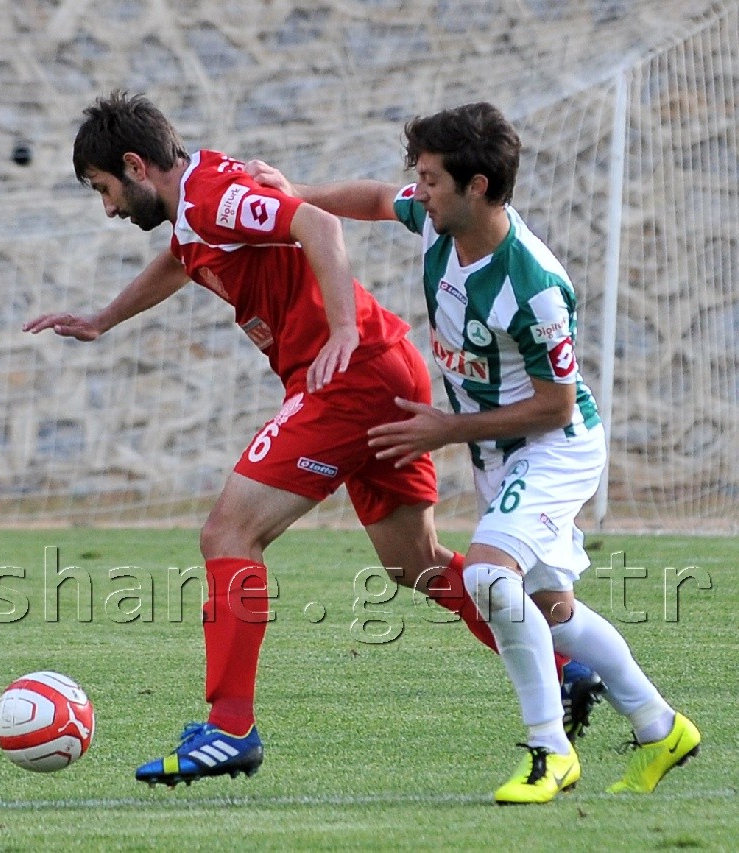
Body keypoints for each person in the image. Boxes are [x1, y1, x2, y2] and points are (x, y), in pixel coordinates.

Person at [23, 92, 594, 789]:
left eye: (105, 190)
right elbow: (182, 258)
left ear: (136, 166)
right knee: (413, 564)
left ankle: (229, 728)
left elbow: (317, 223)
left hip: (348, 377)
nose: (108, 207)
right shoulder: (196, 209)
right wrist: (103, 319)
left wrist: (344, 330)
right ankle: (567, 671)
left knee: (227, 532)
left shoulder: (211, 197)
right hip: (379, 371)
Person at [248, 101, 700, 804]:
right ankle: (660, 724)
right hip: (499, 453)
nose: (418, 190)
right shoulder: (437, 221)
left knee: (491, 578)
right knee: (551, 609)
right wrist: (289, 196)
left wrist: (442, 429)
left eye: (431, 179)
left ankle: (549, 750)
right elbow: (371, 199)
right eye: (420, 178)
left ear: (479, 186)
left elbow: (556, 403)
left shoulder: (534, 285)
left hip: (554, 447)